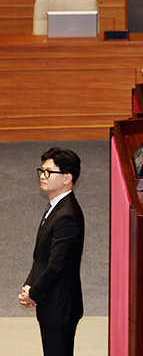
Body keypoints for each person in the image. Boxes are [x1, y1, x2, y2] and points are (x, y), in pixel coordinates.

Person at [19, 148, 85, 356]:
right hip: (51, 302)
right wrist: (30, 283)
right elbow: (42, 256)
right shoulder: (55, 207)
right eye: (41, 170)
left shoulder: (67, 216)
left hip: (60, 307)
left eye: (49, 172)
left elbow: (58, 264)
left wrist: (34, 293)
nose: (42, 176)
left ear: (67, 178)